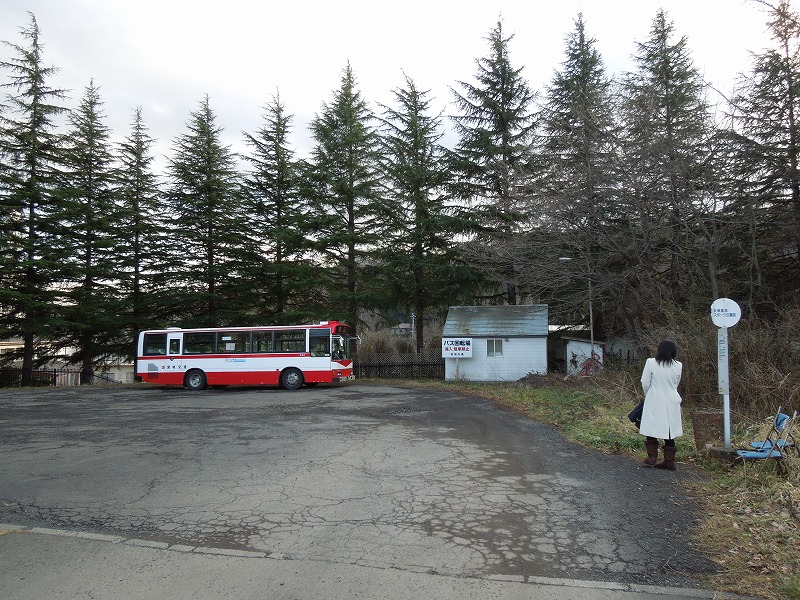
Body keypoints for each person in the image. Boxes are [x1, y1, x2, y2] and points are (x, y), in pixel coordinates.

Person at [639, 339, 683, 470]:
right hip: (672, 399)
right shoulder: (678, 365)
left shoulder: (651, 362)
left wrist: (649, 394)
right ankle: (669, 461)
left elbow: (645, 382)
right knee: (669, 430)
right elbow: (676, 383)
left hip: (655, 398)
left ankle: (652, 457)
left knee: (651, 426)